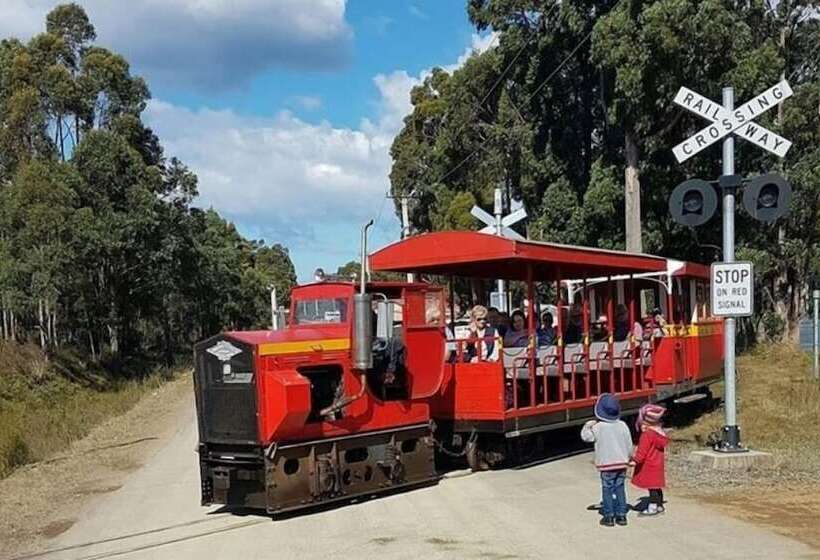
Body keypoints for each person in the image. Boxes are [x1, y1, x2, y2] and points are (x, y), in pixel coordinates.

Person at [581, 393, 634, 527]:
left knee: (607, 488)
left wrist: (587, 426)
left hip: (606, 464)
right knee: (620, 488)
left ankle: (609, 516)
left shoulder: (598, 427)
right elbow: (629, 444)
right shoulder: (623, 425)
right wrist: (629, 457)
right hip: (621, 463)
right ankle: (622, 516)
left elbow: (587, 437)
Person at [629, 404, 669, 516]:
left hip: (648, 465)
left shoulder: (647, 435)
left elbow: (642, 451)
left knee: (651, 488)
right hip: (658, 464)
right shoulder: (660, 433)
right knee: (656, 487)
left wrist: (635, 461)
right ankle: (660, 506)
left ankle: (653, 508)